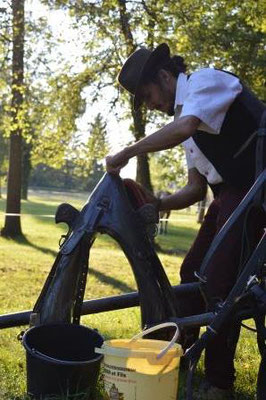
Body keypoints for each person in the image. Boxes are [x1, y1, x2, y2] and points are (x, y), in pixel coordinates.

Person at [105, 43, 265, 399]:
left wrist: (128, 151)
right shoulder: (186, 122)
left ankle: (220, 382)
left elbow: (185, 127)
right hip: (229, 197)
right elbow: (195, 189)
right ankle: (178, 361)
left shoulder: (204, 84)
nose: (150, 105)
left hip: (258, 188)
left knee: (220, 282)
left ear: (164, 76)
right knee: (191, 273)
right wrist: (158, 203)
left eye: (148, 95)